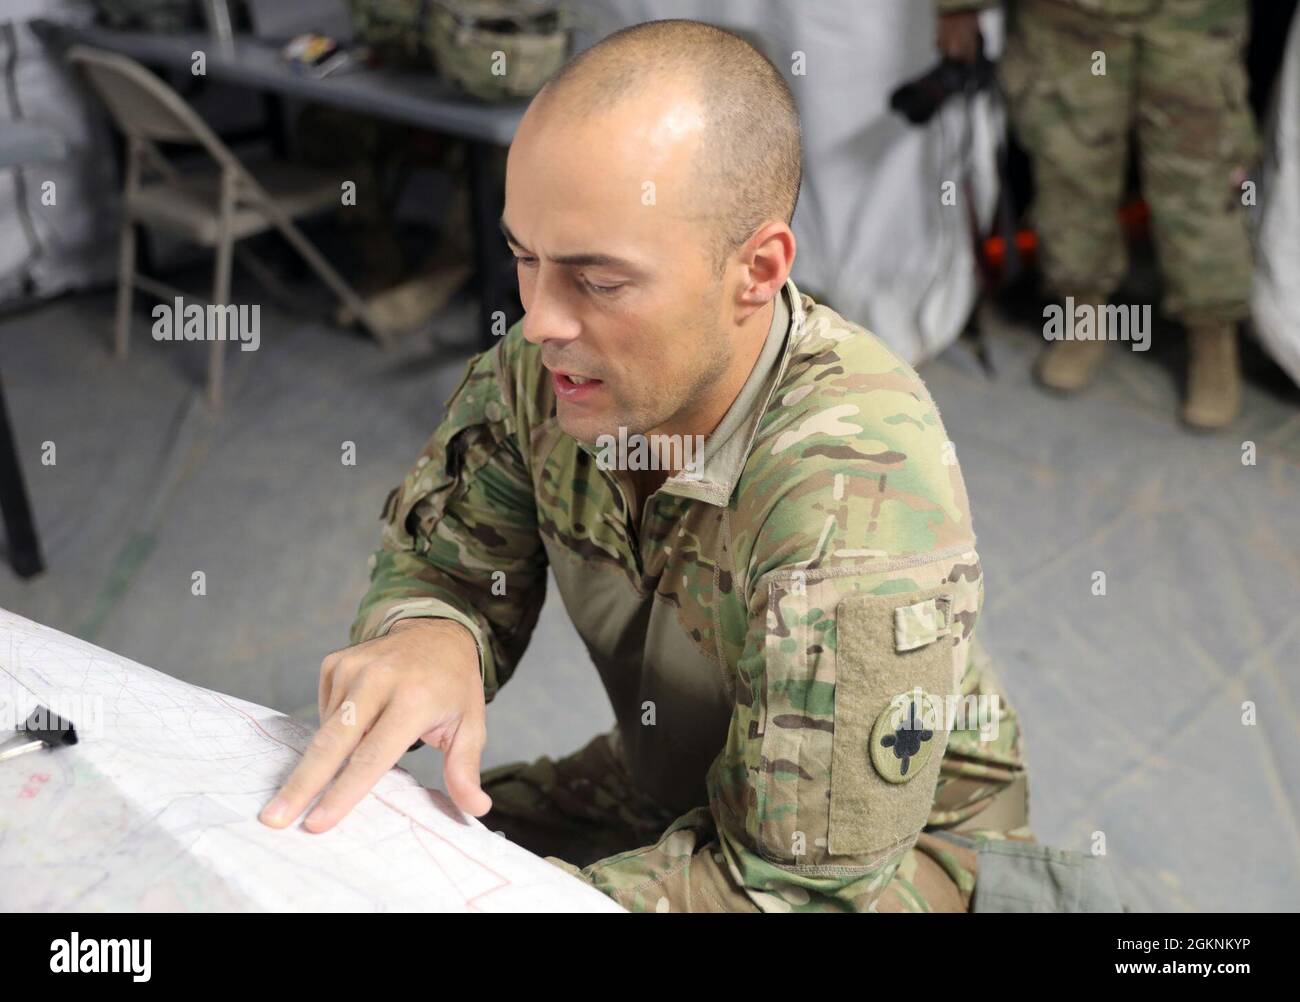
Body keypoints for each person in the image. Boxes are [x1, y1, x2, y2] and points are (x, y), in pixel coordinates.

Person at [260, 19, 1116, 913]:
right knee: (364, 838)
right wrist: (430, 633)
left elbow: (798, 890)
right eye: (523, 258)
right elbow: (447, 563)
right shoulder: (545, 370)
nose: (542, 319)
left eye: (598, 280)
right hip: (691, 773)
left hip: (890, 861)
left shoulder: (857, 496)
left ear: (757, 269)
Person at [937, 0, 1258, 429]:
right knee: (1070, 171)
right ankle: (1082, 315)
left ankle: (1213, 336)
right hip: (1067, 18)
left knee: (1199, 179)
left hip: (1190, 17)